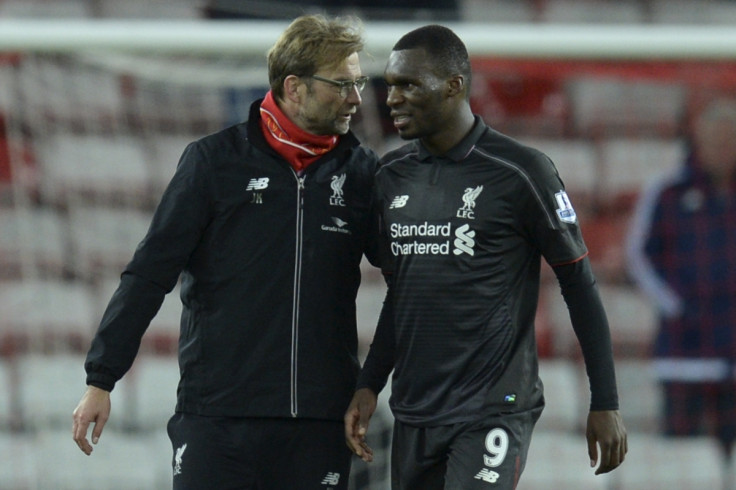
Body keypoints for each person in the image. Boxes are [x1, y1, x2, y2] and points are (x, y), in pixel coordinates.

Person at [72, 14, 380, 490]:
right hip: (217, 418)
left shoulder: (362, 173)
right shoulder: (213, 162)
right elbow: (149, 274)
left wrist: (370, 382)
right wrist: (101, 378)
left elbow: (411, 278)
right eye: (342, 84)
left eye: (358, 82)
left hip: (319, 423)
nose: (357, 97)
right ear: (294, 87)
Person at [344, 25, 628, 489]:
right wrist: (370, 382)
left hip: (493, 408)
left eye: (409, 85)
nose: (392, 98)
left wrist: (606, 401)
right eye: (390, 85)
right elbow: (404, 296)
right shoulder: (390, 175)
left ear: (455, 85)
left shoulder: (522, 172)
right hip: (415, 410)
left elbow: (580, 286)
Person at [626, 99, 736, 482]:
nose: (723, 148)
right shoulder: (668, 192)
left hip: (733, 353)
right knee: (679, 459)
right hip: (682, 352)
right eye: (716, 140)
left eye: (730, 141)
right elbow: (640, 256)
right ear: (698, 141)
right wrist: (679, 307)